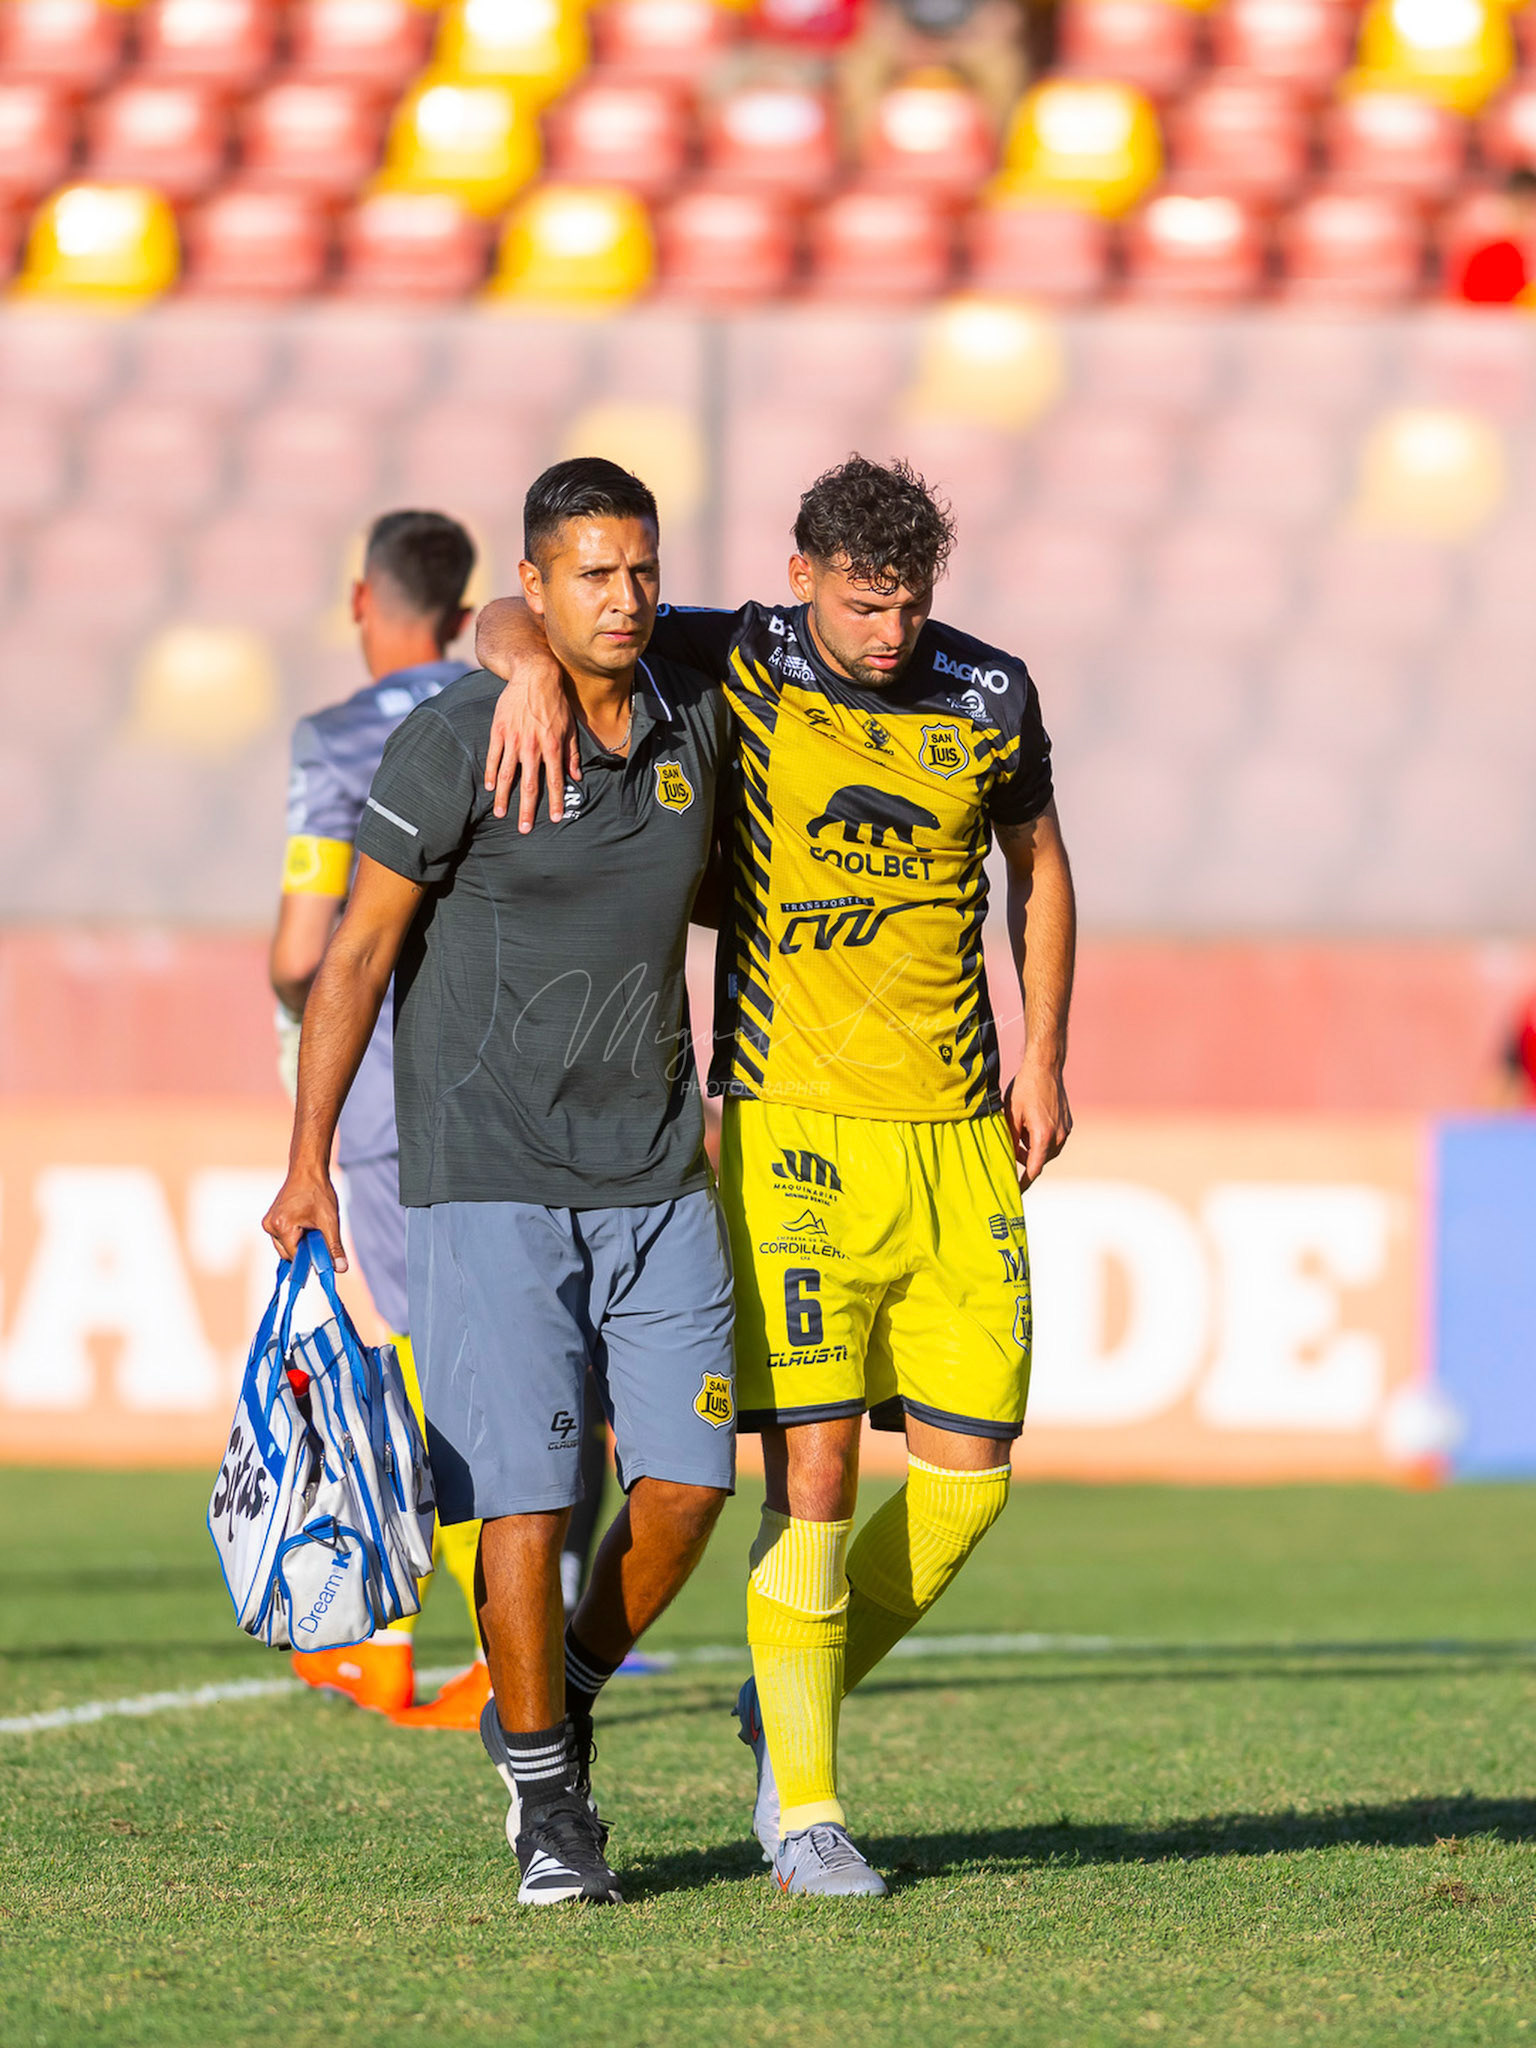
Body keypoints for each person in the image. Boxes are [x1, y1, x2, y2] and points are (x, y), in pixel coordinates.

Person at [475, 454, 1076, 1898]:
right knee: (812, 1471)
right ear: (804, 578)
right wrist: (521, 677)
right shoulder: (736, 654)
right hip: (791, 1125)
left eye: (912, 604)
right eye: (866, 604)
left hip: (955, 1138)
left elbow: (1038, 863)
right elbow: (526, 614)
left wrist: (1043, 1053)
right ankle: (803, 1809)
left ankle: (777, 1682)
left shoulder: (989, 694)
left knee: (967, 1487)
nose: (891, 634)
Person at [263, 458, 736, 1906]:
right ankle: (547, 1807)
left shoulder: (697, 704)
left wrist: (531, 642)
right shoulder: (456, 741)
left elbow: (824, 627)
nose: (627, 598)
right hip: (486, 1179)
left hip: (657, 1170)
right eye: (591, 574)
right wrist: (307, 1168)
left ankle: (558, 1695)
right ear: (531, 585)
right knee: (523, 1502)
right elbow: (346, 962)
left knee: (687, 1489)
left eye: (642, 570)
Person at [271, 510, 615, 1727]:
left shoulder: (341, 737)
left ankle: (422, 1638)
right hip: (539, 1065)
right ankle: (555, 1599)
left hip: (388, 1087)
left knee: (438, 1360)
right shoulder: (538, 681)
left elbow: (312, 946)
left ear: (366, 598)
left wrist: (290, 1002)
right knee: (559, 1346)